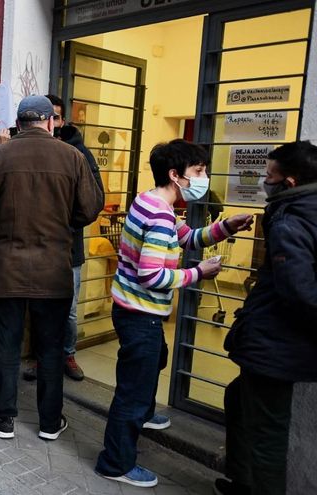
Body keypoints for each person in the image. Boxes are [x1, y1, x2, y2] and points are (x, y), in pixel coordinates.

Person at [94, 139, 254, 488]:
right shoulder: (160, 215)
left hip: (132, 308)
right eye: (198, 172)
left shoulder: (151, 202)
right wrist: (199, 273)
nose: (203, 178)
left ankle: (144, 414)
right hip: (141, 314)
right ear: (175, 174)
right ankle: (115, 462)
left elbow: (188, 238)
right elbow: (151, 275)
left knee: (154, 362)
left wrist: (227, 226)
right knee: (132, 391)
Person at [0, 95, 103, 442]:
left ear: (17, 124)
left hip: (5, 269)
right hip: (54, 270)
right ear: (51, 123)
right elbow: (89, 209)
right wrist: (62, 219)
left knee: (6, 343)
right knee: (50, 348)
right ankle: (50, 423)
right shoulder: (72, 157)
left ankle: (3, 417)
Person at [216, 141, 317, 495]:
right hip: (278, 342)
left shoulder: (290, 222)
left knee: (267, 433)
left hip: (278, 346)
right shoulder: (304, 211)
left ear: (289, 182)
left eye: (269, 176)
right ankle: (241, 481)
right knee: (240, 399)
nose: (264, 181)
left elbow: (300, 293)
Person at [21, 95, 106, 382]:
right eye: (48, 117)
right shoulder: (28, 149)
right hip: (35, 249)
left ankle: (67, 354)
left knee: (67, 311)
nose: (51, 122)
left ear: (61, 121)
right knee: (36, 309)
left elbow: (95, 201)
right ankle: (37, 357)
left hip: (68, 250)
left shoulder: (79, 153)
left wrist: (64, 224)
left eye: (56, 117)